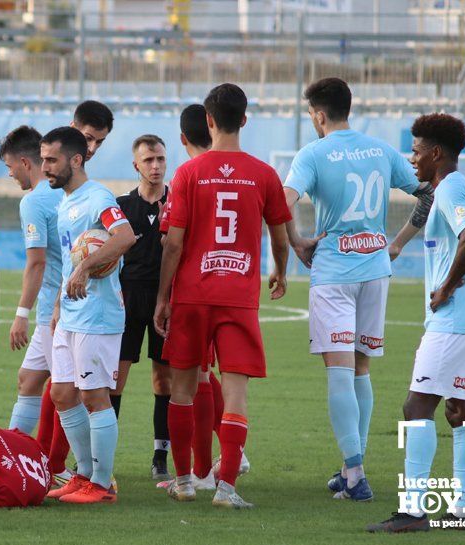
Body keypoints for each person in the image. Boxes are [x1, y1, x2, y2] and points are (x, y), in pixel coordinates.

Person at [283, 77, 434, 501]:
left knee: (338, 370)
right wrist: (398, 242)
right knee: (361, 368)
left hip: (334, 272)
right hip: (374, 269)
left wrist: (297, 242)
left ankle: (354, 473)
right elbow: (428, 193)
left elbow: (280, 201)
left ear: (318, 114)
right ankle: (355, 468)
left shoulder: (313, 153)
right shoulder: (381, 150)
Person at [154, 83, 291, 507]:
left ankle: (183, 481)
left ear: (208, 120)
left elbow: (173, 243)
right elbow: (280, 236)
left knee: (182, 389)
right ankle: (227, 487)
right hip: (238, 297)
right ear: (244, 120)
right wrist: (280, 271)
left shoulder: (188, 173)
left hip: (193, 295)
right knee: (235, 392)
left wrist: (163, 297)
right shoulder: (264, 173)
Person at [368, 114, 465, 533]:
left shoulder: (449, 190)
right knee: (461, 409)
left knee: (416, 405)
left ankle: (413, 510)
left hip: (455, 318)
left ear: (436, 153)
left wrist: (448, 286)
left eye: (416, 150)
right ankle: (464, 510)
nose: (412, 159)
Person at [41, 126, 134, 504]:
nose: (45, 166)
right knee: (62, 394)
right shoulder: (66, 201)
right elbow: (70, 257)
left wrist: (84, 270)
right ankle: (82, 474)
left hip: (98, 315)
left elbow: (125, 236)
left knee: (94, 396)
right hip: (71, 314)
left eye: (52, 160)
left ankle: (102, 482)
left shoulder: (97, 197)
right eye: (44, 158)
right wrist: (61, 304)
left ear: (75, 160)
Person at [0, 126, 64, 441]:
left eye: (10, 167)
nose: (10, 174)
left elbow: (36, 262)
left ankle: (86, 471)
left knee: (69, 393)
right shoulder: (66, 190)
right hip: (60, 305)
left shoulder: (34, 202)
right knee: (29, 379)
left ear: (25, 162)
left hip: (59, 310)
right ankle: (13, 454)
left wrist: (21, 314)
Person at [114, 134, 171, 481]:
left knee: (163, 381)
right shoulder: (121, 205)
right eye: (148, 160)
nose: (155, 166)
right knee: (114, 380)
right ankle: (97, 460)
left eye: (160, 159)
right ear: (136, 165)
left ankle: (160, 456)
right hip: (128, 299)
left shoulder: (179, 202)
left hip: (165, 300)